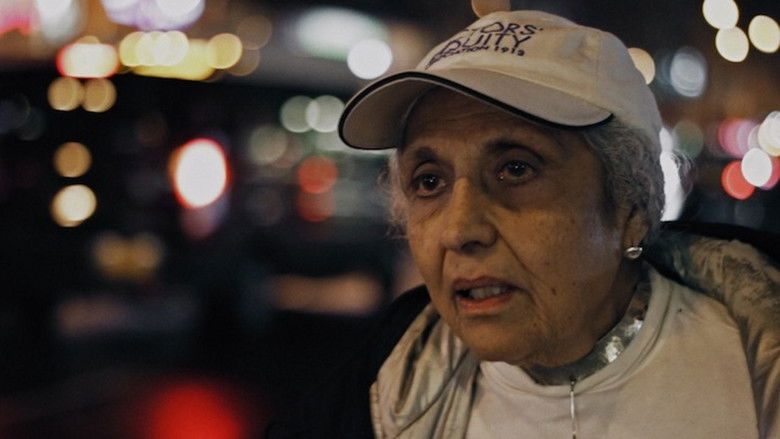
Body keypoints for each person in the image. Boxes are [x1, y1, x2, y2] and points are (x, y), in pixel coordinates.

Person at [267, 9, 780, 439]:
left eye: (516, 169)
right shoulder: (368, 397)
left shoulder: (747, 377)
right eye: (429, 181)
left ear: (631, 210)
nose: (459, 230)